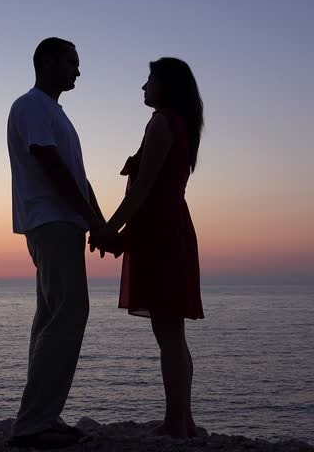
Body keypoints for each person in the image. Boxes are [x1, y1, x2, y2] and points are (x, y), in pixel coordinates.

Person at [89, 57, 205, 437]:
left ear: (166, 86)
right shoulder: (181, 124)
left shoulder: (162, 122)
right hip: (166, 228)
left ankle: (176, 422)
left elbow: (143, 189)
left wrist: (108, 228)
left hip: (162, 233)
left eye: (150, 79)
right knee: (172, 331)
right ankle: (183, 420)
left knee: (168, 332)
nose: (143, 86)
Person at [6, 37, 106, 449]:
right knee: (68, 313)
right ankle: (33, 425)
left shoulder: (53, 113)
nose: (78, 71)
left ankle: (41, 417)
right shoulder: (32, 105)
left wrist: (98, 222)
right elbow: (49, 163)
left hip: (61, 222)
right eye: (72, 62)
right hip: (52, 221)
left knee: (51, 318)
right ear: (47, 62)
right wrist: (91, 220)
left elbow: (77, 176)